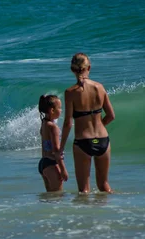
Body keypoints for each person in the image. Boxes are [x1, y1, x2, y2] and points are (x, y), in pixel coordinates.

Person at [60, 53, 115, 193]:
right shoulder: (99, 87)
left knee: (84, 191)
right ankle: (113, 213)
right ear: (89, 67)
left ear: (72, 69)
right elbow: (111, 116)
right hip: (103, 140)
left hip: (83, 142)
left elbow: (67, 123)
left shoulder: (70, 92)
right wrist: (100, 125)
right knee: (104, 186)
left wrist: (60, 149)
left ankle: (86, 215)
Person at [38, 94, 68, 192]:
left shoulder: (44, 123)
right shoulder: (53, 127)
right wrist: (63, 169)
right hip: (52, 164)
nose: (61, 110)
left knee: (50, 198)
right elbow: (56, 150)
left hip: (43, 163)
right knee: (57, 197)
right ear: (52, 110)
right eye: (60, 108)